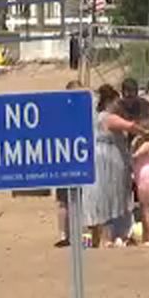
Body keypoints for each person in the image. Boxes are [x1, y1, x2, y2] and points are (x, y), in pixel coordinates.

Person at [82, 85, 145, 247]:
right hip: (108, 162)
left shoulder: (93, 117)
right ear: (110, 101)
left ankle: (100, 238)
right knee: (109, 197)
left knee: (102, 198)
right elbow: (129, 126)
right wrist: (146, 131)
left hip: (101, 159)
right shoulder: (107, 117)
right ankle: (107, 238)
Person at [53, 80, 84, 247]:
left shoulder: (60, 112)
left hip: (74, 160)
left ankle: (72, 234)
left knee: (74, 200)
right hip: (68, 160)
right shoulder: (83, 112)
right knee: (66, 201)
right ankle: (67, 234)